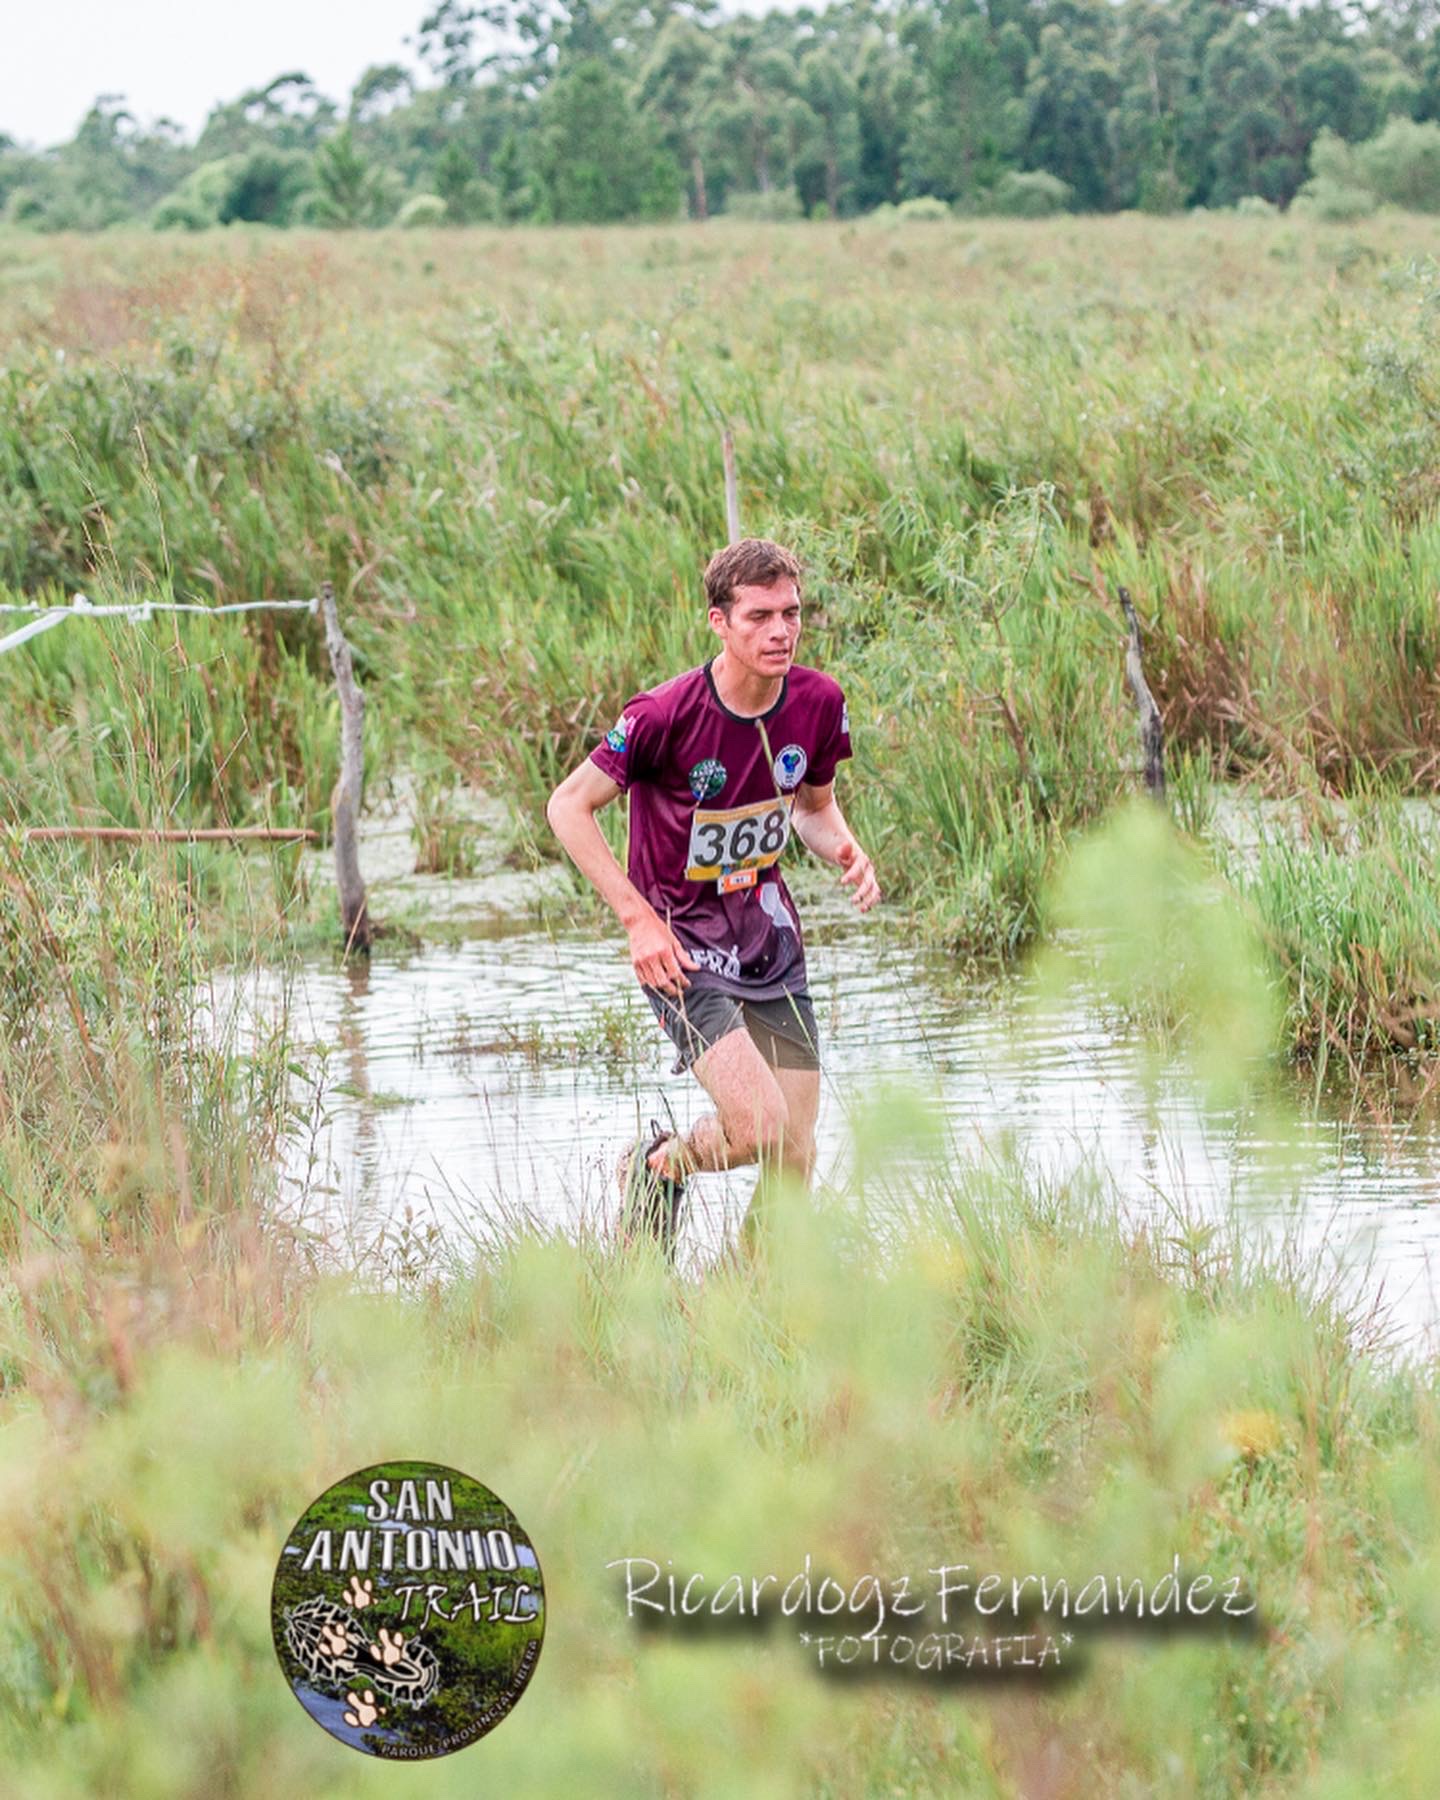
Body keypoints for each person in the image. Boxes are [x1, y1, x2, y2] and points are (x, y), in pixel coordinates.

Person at [545, 537, 880, 1255]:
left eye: (790, 613)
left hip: (769, 945)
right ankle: (660, 1164)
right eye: (759, 616)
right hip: (680, 950)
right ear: (718, 622)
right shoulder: (665, 714)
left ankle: (752, 1307)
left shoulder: (818, 702)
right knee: (760, 1127)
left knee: (795, 1155)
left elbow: (812, 807)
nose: (781, 631)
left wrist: (847, 848)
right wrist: (637, 919)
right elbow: (567, 807)